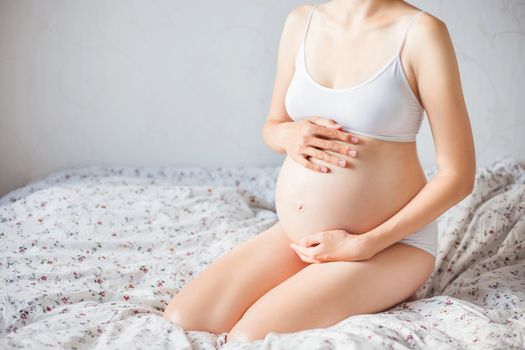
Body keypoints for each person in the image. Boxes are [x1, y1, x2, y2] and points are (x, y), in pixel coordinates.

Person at [163, 0, 476, 343]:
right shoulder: (301, 22)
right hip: (298, 238)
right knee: (184, 318)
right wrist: (289, 134)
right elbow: (273, 125)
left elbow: (458, 176)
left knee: (249, 338)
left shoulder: (421, 33)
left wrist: (364, 245)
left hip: (388, 247)